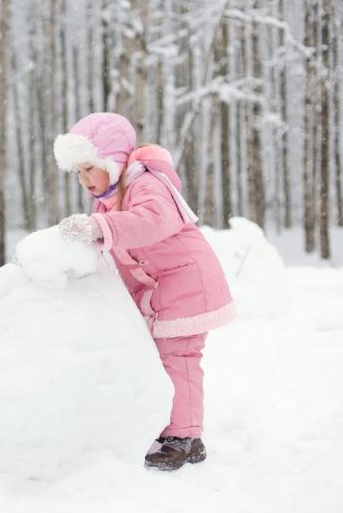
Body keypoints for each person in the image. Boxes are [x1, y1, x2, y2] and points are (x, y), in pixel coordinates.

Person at [53, 112, 236, 471]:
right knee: (161, 357)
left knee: (178, 357)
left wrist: (97, 226)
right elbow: (113, 246)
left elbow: (148, 223)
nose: (85, 179)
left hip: (187, 283)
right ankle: (176, 430)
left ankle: (183, 439)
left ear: (113, 160)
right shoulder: (109, 198)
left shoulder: (146, 184)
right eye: (78, 173)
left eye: (90, 167)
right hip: (164, 289)